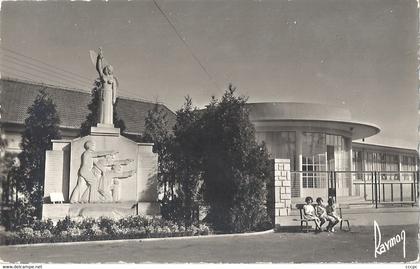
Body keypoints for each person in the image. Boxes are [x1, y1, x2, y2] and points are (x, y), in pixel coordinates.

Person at [96, 47, 117, 125]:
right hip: (104, 94)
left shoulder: (113, 79)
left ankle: (108, 123)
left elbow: (114, 89)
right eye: (107, 68)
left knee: (108, 110)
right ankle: (102, 122)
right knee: (103, 110)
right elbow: (99, 68)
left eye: (109, 69)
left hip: (110, 95)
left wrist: (114, 98)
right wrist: (99, 58)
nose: (108, 70)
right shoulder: (103, 77)